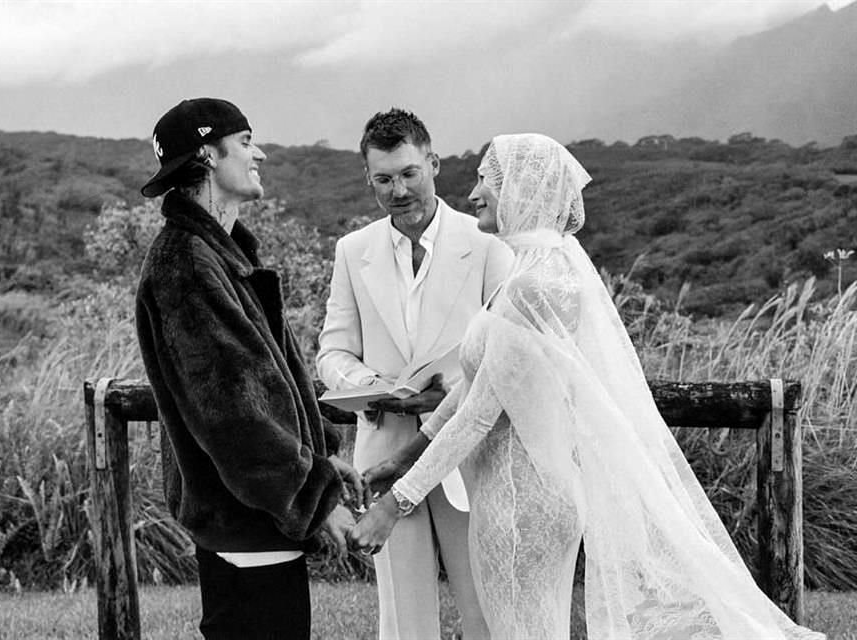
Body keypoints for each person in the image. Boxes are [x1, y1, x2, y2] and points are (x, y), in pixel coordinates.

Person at [351, 133, 826, 640]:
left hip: (521, 506)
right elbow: (471, 390)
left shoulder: (534, 288)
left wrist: (394, 505)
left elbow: (479, 415)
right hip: (514, 497)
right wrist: (400, 462)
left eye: (485, 181)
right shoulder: (530, 275)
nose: (473, 194)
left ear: (522, 191)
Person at [135, 98, 361, 640]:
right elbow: (235, 416)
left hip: (257, 516)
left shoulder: (222, 255)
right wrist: (316, 498)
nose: (258, 153)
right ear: (208, 155)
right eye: (245, 142)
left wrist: (324, 461)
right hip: (243, 520)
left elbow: (274, 383)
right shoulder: (186, 264)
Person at [317, 108, 512, 640]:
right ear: (369, 180)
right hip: (382, 455)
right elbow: (332, 351)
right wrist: (368, 386)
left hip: (468, 454)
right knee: (403, 619)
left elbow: (507, 352)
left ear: (434, 164)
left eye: (409, 173)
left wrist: (452, 389)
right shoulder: (352, 251)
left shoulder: (488, 242)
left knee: (486, 610)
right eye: (383, 179)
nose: (398, 189)